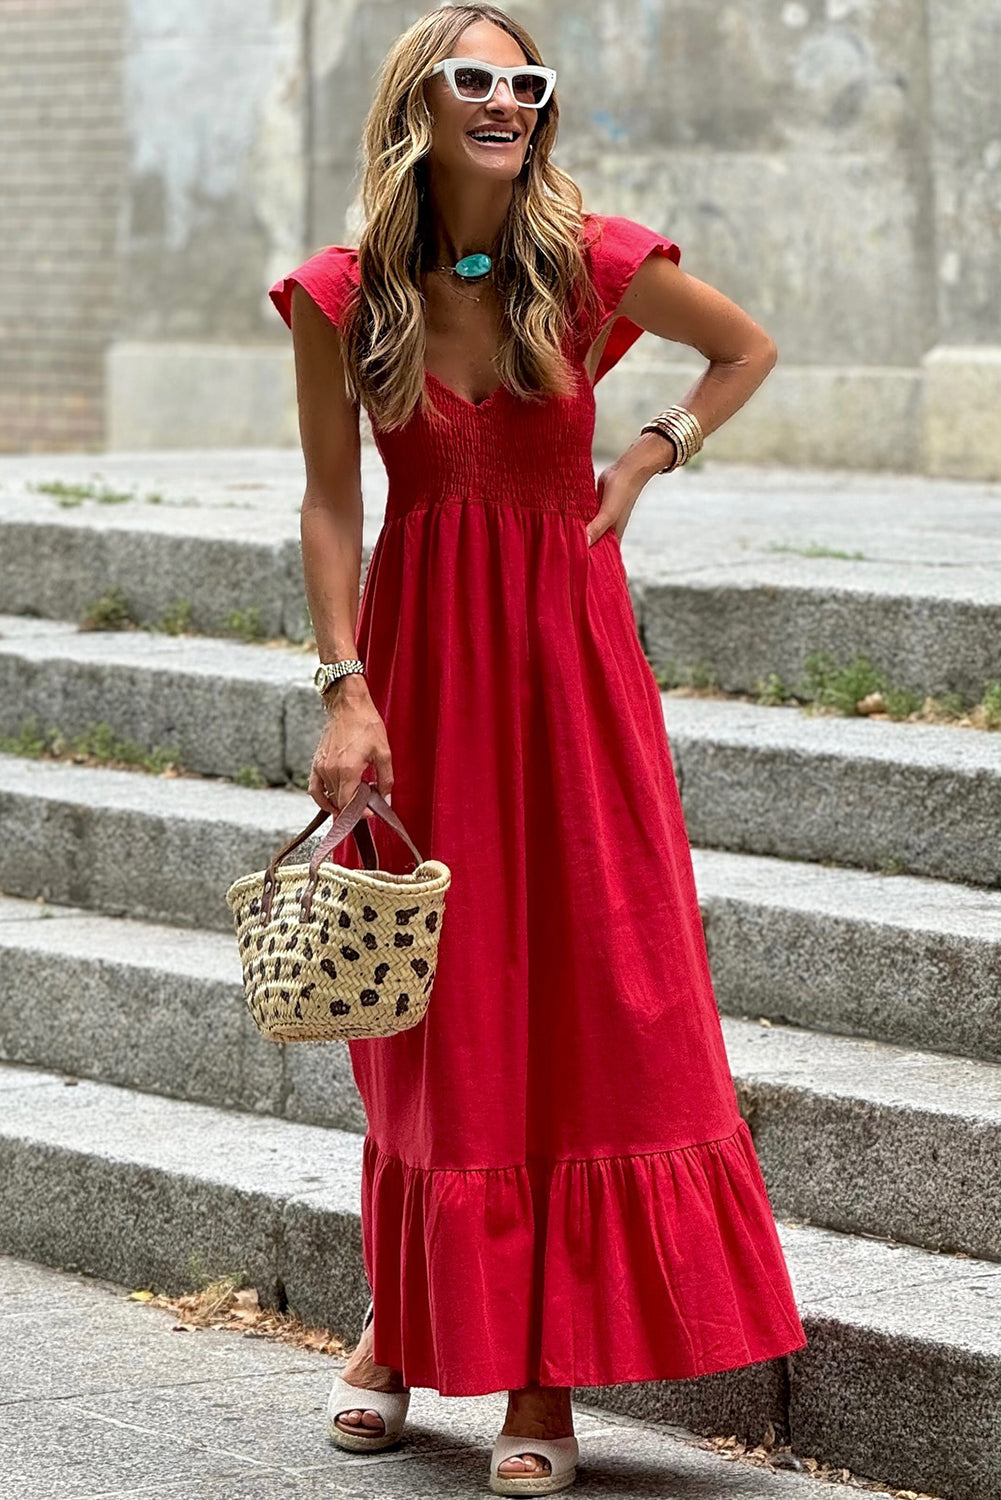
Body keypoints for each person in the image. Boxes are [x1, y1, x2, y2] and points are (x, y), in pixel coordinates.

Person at [268, 4, 807, 1493]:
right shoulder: (340, 291)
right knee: (438, 1012)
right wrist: (342, 687)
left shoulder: (590, 262)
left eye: (525, 80)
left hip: (570, 672)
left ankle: (539, 1372)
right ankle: (394, 1322)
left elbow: (745, 349)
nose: (505, 99)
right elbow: (329, 505)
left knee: (577, 994)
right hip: (425, 673)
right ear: (418, 104)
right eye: (475, 78)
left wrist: (646, 453)